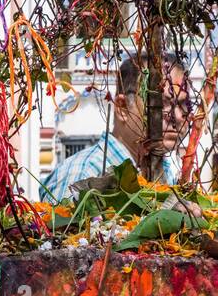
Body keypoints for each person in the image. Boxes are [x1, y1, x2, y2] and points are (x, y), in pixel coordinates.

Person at [42, 54, 191, 201]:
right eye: (161, 104)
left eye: (183, 104)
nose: (177, 116)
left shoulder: (165, 171)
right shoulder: (86, 174)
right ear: (123, 108)